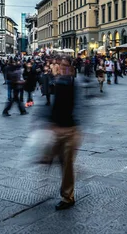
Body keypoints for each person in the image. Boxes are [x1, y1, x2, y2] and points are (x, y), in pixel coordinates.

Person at [49, 57, 81, 211]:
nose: (63, 67)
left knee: (67, 164)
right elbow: (54, 105)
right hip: (57, 128)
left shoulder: (73, 84)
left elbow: (79, 107)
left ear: (71, 68)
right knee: (58, 161)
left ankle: (68, 197)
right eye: (61, 65)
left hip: (69, 129)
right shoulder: (59, 82)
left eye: (66, 66)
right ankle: (67, 191)